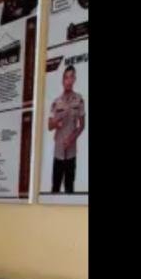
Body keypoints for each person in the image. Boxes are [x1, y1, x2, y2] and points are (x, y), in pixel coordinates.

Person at [47, 65, 85, 193]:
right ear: (62, 80)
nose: (68, 80)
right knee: (55, 188)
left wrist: (71, 139)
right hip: (58, 152)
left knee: (69, 188)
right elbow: (49, 126)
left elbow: (82, 125)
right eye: (66, 78)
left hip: (71, 153)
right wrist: (57, 120)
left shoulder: (79, 100)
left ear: (74, 79)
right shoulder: (56, 102)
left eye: (71, 77)